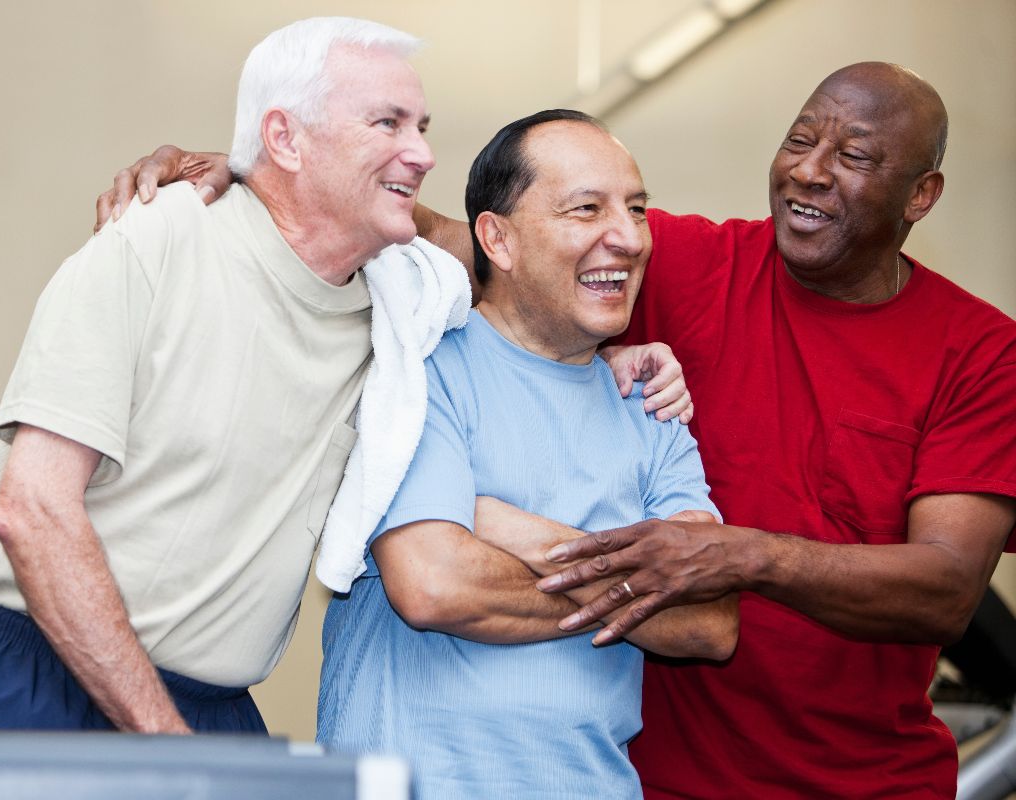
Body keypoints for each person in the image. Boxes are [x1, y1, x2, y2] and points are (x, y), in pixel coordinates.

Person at [107, 62, 1016, 797]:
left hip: (868, 781)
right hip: (660, 775)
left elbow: (923, 592)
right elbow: (461, 240)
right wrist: (267, 181)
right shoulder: (488, 348)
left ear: (921, 195)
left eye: (853, 156)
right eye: (799, 140)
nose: (811, 170)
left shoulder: (978, 350)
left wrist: (734, 557)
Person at [0, 16, 445, 734]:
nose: (424, 153)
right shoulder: (158, 235)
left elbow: (525, 265)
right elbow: (31, 510)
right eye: (388, 124)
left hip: (206, 711)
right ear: (284, 138)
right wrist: (168, 748)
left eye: (423, 127)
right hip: (27, 681)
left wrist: (620, 353)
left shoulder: (402, 303)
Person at [316, 109, 737, 799]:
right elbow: (434, 586)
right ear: (498, 240)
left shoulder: (652, 406)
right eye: (586, 210)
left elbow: (710, 620)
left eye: (637, 209)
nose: (627, 238)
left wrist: (502, 525)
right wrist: (637, 582)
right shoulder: (420, 370)